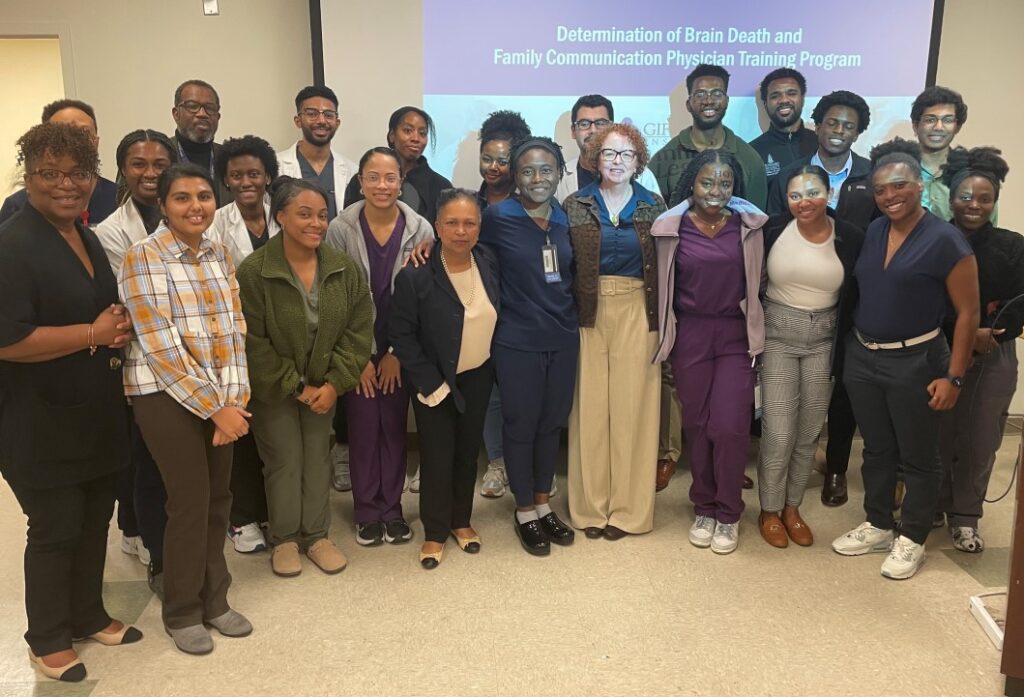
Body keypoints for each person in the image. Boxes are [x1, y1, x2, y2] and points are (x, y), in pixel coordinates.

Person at [0, 122, 140, 683]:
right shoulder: (13, 243)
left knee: (93, 519)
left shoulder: (82, 236)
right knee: (56, 526)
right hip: (37, 418)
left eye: (78, 174)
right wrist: (92, 333)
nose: (65, 185)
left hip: (94, 411)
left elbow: (100, 312)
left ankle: (87, 614)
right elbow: (8, 339)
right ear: (27, 177)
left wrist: (115, 327)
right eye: (49, 174)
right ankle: (48, 638)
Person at [120, 163, 253, 654]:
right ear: (163, 205)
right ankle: (182, 611)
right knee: (190, 501)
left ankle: (216, 600)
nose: (195, 206)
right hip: (163, 393)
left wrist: (234, 402)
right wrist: (216, 408)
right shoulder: (143, 256)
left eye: (203, 196)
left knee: (220, 499)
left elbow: (235, 332)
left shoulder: (219, 254)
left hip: (221, 396)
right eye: (182, 198)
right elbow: (161, 347)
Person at [831, 139, 979, 580]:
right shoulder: (876, 230)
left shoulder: (946, 240)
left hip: (916, 360)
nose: (890, 195)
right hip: (864, 356)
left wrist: (954, 377)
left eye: (899, 185)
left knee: (918, 457)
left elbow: (969, 313)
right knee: (876, 448)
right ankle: (878, 522)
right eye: (880, 189)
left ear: (919, 186)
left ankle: (912, 536)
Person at [238, 176, 372, 576]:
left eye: (322, 215)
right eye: (304, 214)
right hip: (275, 389)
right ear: (279, 216)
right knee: (282, 461)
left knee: (317, 459)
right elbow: (252, 340)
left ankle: (317, 536)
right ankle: (284, 540)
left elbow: (358, 329)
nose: (316, 223)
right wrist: (296, 386)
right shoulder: (255, 271)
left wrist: (333, 384)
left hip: (324, 388)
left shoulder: (343, 268)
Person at [652, 149, 768, 555]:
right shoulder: (671, 227)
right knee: (698, 424)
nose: (715, 191)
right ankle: (704, 505)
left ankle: (729, 511)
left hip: (736, 335)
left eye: (725, 183)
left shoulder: (748, 227)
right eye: (707, 182)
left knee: (730, 426)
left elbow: (761, 281)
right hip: (691, 334)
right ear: (691, 185)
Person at [325, 147, 435, 546]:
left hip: (401, 348)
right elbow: (336, 298)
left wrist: (394, 354)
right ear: (360, 182)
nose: (382, 186)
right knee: (362, 428)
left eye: (390, 178)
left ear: (401, 183)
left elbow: (424, 300)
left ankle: (392, 510)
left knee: (394, 427)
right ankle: (367, 511)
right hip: (356, 346)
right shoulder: (340, 228)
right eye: (373, 177)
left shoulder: (421, 229)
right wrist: (359, 357)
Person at [564, 123, 666, 540]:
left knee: (634, 411)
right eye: (609, 153)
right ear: (594, 159)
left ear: (639, 161)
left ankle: (628, 511)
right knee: (589, 410)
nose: (617, 161)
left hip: (639, 312)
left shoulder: (654, 206)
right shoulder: (575, 204)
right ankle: (590, 509)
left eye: (626, 154)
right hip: (588, 311)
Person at [479, 136, 578, 556]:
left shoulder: (565, 218)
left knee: (550, 424)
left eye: (546, 170)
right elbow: (465, 251)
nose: (538, 179)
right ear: (515, 177)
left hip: (563, 337)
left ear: (560, 173)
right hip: (516, 339)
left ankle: (542, 502)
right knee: (520, 425)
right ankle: (523, 510)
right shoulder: (497, 216)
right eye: (527, 171)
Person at [390, 188, 499, 568]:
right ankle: (435, 532)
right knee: (437, 456)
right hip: (434, 380)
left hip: (478, 375)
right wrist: (429, 383)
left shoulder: (487, 261)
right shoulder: (416, 275)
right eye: (451, 223)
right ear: (436, 227)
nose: (461, 231)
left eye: (469, 223)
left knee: (468, 454)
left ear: (479, 228)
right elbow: (400, 333)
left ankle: (460, 521)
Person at [757, 165, 863, 548]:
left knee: (807, 435)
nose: (804, 201)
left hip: (824, 341)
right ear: (786, 198)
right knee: (779, 431)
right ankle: (768, 509)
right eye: (795, 195)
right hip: (779, 337)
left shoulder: (849, 236)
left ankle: (791, 507)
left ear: (829, 193)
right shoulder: (770, 231)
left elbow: (858, 292)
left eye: (813, 192)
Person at [94, 128, 178, 584]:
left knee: (180, 466)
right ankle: (158, 554)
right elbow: (131, 304)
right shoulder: (109, 232)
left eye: (159, 164)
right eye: (139, 164)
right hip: (143, 361)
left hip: (195, 361)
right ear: (123, 169)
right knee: (147, 459)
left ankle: (177, 546)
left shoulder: (189, 216)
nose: (150, 173)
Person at [937, 147, 1022, 553]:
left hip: (994, 354)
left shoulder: (1012, 245)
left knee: (981, 437)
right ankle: (932, 504)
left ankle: (966, 517)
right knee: (938, 434)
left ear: (995, 201)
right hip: (939, 349)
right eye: (965, 197)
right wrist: (962, 334)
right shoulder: (933, 238)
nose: (974, 205)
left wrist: (997, 335)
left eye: (984, 198)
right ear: (950, 198)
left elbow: (1020, 303)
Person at [208, 135, 283, 554]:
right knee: (241, 432)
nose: (246, 181)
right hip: (234, 342)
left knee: (272, 430)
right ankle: (242, 519)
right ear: (226, 180)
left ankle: (272, 512)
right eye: (236, 175)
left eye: (254, 173)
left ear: (268, 176)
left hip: (280, 341)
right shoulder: (217, 222)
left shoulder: (286, 214)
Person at [474, 110, 531, 499]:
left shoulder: (530, 203)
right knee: (488, 392)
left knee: (518, 393)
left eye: (503, 160)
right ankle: (496, 460)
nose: (494, 167)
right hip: (476, 312)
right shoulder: (466, 202)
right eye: (487, 158)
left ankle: (521, 462)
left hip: (518, 311)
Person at [648, 64, 768, 209]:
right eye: (700, 94)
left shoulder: (750, 159)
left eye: (717, 93)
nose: (708, 101)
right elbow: (653, 221)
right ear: (688, 104)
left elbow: (755, 220)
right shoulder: (663, 159)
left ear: (727, 101)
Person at [768, 90, 876, 230]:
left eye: (848, 126)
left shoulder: (872, 174)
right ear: (818, 128)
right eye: (832, 123)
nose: (839, 130)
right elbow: (773, 230)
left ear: (856, 135)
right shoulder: (787, 176)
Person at [0, 99, 118, 226]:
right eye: (63, 133)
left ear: (96, 141)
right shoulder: (17, 206)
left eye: (85, 133)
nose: (75, 141)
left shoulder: (119, 200)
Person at [343, 106, 453, 226]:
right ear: (392, 135)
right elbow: (347, 224)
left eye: (422, 133)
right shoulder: (364, 179)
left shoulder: (441, 186)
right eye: (407, 131)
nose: (416, 138)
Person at [555, 95, 659, 201]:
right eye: (584, 124)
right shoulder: (559, 177)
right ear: (573, 131)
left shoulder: (643, 176)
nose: (593, 130)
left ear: (612, 128)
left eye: (600, 123)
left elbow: (660, 215)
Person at [276, 85, 358, 222]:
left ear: (337, 123)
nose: (321, 121)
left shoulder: (352, 171)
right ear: (298, 121)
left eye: (328, 115)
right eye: (312, 114)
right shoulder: (277, 167)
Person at [911, 86, 973, 222]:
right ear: (916, 125)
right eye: (930, 120)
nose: (938, 127)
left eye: (948, 120)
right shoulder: (899, 169)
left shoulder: (972, 174)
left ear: (957, 127)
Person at [749, 68, 818, 185]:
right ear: (765, 104)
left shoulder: (821, 144)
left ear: (802, 99)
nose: (784, 100)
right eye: (775, 96)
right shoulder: (751, 153)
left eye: (791, 93)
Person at [170, 79, 232, 205]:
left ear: (218, 117)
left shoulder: (230, 158)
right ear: (176, 114)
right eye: (192, 106)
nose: (202, 114)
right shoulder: (158, 155)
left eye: (210, 108)